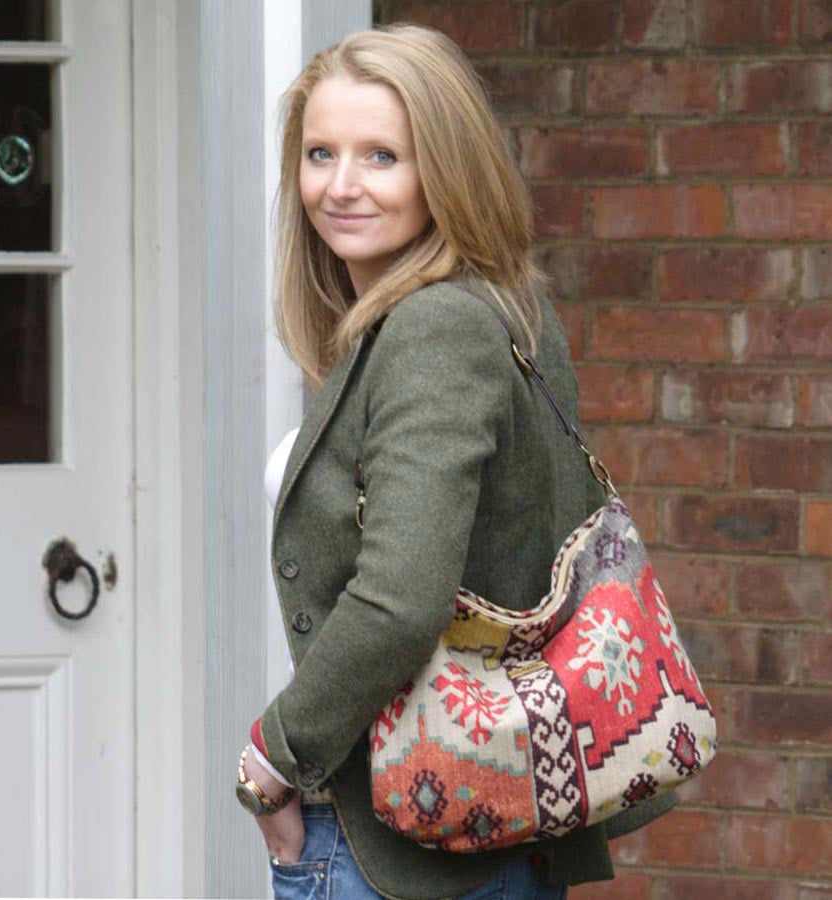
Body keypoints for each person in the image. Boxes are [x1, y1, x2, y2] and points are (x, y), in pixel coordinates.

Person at [235, 24, 675, 900]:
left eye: (382, 156)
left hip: (400, 846)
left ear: (447, 167)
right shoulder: (504, 307)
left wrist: (271, 760)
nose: (341, 185)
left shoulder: (434, 328)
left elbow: (401, 596)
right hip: (493, 825)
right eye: (320, 153)